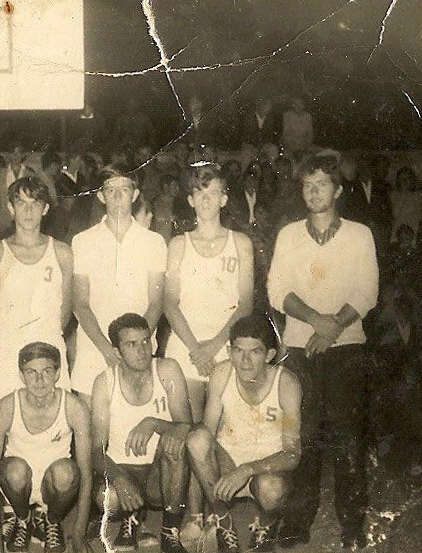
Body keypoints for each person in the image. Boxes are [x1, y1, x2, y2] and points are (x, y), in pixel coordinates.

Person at [267, 156, 378, 550]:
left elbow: (367, 292)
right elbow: (277, 290)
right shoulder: (288, 235)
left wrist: (333, 329)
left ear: (338, 190)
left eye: (321, 184)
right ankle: (298, 521)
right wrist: (319, 321)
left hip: (348, 348)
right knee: (303, 437)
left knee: (348, 439)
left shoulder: (360, 235)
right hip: (300, 349)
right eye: (307, 185)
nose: (313, 191)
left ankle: (352, 524)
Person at [163, 166, 254, 538]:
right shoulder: (178, 244)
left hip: (223, 348)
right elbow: (170, 303)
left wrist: (214, 347)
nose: (206, 199)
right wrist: (194, 348)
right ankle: (195, 516)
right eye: (199, 193)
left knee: (211, 434)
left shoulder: (241, 243)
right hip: (184, 348)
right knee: (189, 433)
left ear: (224, 198)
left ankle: (215, 513)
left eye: (213, 192)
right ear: (190, 200)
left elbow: (245, 305)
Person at [186, 315, 301, 552]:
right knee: (197, 439)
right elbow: (206, 435)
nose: (245, 361)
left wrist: (247, 469)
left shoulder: (286, 383)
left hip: (265, 470)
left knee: (272, 489)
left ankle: (266, 527)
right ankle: (224, 525)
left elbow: (292, 455)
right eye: (238, 351)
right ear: (229, 352)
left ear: (269, 355)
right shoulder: (221, 374)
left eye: (255, 352)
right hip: (228, 464)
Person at [90, 313, 192, 553]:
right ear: (117, 351)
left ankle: (170, 531)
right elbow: (96, 451)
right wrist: (119, 479)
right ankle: (131, 518)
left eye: (146, 341)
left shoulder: (167, 369)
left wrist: (153, 422)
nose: (143, 350)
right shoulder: (105, 382)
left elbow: (187, 426)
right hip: (124, 470)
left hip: (159, 473)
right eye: (132, 344)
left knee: (176, 444)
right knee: (107, 496)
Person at [71, 166, 167, 406]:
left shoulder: (154, 242)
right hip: (94, 351)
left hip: (139, 353)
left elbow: (156, 303)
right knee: (94, 436)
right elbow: (80, 305)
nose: (116, 197)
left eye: (124, 189)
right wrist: (106, 348)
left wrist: (134, 346)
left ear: (134, 195)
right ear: (100, 196)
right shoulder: (82, 241)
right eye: (110, 190)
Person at [0, 342, 92, 553]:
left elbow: (86, 473)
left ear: (58, 373)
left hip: (54, 485)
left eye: (47, 371)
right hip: (17, 484)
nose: (39, 380)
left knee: (66, 472)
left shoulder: (74, 407)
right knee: (14, 470)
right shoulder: (5, 407)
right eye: (31, 373)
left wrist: (79, 534)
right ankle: (22, 519)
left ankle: (51, 520)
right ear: (22, 376)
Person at [0, 177, 73, 410]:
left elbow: (66, 310)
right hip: (8, 350)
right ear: (11, 208)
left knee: (54, 422)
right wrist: (10, 337)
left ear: (46, 209)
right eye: (21, 203)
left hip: (50, 347)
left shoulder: (62, 252)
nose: (29, 210)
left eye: (35, 203)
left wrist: (46, 339)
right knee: (4, 423)